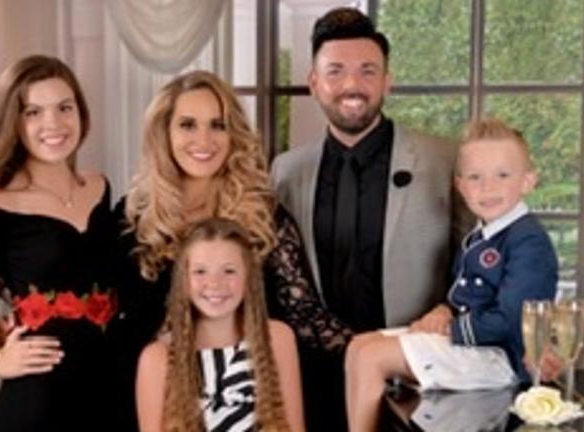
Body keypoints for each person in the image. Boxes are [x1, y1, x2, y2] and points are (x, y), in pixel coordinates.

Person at [108, 70, 352, 431]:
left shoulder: (263, 214)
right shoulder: (132, 219)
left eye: (217, 125)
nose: (204, 139)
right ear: (164, 133)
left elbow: (306, 316)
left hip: (255, 391)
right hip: (156, 398)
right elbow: (108, 313)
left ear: (233, 133)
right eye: (187, 125)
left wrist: (376, 350)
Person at [271, 7, 471, 429]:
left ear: (387, 81)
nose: (352, 85)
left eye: (367, 71)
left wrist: (452, 311)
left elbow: (481, 259)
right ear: (314, 82)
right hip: (316, 385)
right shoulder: (285, 172)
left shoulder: (445, 159)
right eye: (336, 71)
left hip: (419, 387)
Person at [344, 118, 559, 432]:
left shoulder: (528, 240)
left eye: (502, 175)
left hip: (500, 358)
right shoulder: (480, 235)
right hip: (474, 345)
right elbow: (465, 295)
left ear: (528, 181)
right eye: (475, 176)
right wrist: (444, 310)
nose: (488, 187)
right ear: (460, 185)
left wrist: (449, 328)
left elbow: (512, 320)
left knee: (371, 357)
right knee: (359, 346)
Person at [0, 55, 117, 431]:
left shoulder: (100, 188)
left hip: (111, 393)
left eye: (64, 107)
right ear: (14, 122)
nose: (53, 123)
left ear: (81, 113)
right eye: (33, 112)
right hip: (39, 406)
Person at [136, 217, 305, 431]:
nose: (215, 283)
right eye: (200, 271)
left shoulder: (277, 337)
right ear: (183, 281)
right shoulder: (157, 358)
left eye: (229, 271)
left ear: (248, 278)